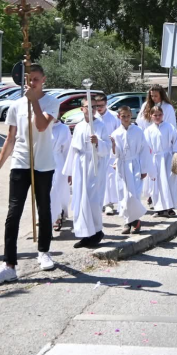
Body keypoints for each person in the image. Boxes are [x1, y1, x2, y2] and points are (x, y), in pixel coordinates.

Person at [0, 64, 61, 286]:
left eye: (36, 79)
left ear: (44, 79)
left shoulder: (51, 102)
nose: (32, 83)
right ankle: (9, 265)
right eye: (29, 79)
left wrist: (34, 101)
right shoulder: (16, 105)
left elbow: (41, 126)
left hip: (43, 163)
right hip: (20, 161)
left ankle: (44, 251)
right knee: (13, 212)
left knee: (43, 208)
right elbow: (10, 139)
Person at [64, 96, 113, 248]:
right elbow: (73, 149)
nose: (91, 109)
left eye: (93, 107)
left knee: (92, 201)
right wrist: (70, 171)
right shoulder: (78, 126)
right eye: (88, 107)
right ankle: (85, 234)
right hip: (80, 166)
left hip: (94, 166)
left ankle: (97, 232)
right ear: (82, 109)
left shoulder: (100, 125)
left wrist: (98, 142)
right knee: (80, 201)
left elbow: (107, 146)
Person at [112, 106, 152, 234]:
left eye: (128, 116)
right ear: (119, 117)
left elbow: (144, 150)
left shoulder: (138, 131)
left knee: (133, 195)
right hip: (122, 165)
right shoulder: (116, 133)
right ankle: (128, 222)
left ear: (131, 116)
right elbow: (115, 154)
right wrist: (113, 146)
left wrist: (144, 168)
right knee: (123, 195)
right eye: (123, 116)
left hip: (135, 165)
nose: (126, 119)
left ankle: (135, 220)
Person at [145, 105, 177, 217]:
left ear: (163, 115)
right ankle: (159, 208)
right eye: (155, 115)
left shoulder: (169, 127)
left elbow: (175, 142)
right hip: (155, 159)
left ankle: (170, 207)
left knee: (169, 182)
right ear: (151, 116)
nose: (157, 117)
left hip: (168, 158)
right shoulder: (148, 130)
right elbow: (146, 147)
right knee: (156, 184)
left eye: (159, 115)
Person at [50, 117, 73, 233]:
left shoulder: (63, 128)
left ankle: (57, 216)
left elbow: (68, 150)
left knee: (57, 189)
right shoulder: (40, 126)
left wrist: (69, 170)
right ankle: (45, 215)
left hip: (58, 161)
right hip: (42, 161)